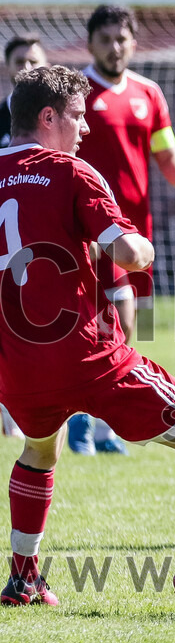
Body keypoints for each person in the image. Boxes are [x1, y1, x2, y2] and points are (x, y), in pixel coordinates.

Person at [0, 65, 175, 615]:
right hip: (87, 359)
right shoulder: (71, 172)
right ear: (48, 118)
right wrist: (144, 247)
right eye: (76, 116)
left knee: (40, 449)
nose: (85, 129)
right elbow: (129, 254)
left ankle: (22, 580)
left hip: (16, 368)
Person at [68, 4, 175, 455]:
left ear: (134, 42)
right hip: (86, 232)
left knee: (121, 328)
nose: (114, 47)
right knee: (109, 322)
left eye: (121, 38)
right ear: (91, 44)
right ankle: (85, 423)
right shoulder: (78, 93)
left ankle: (95, 426)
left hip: (133, 234)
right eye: (105, 39)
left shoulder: (148, 93)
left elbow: (165, 151)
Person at [1, 34, 49, 442]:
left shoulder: (57, 124)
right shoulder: (4, 119)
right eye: (20, 61)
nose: (27, 69)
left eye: (34, 61)